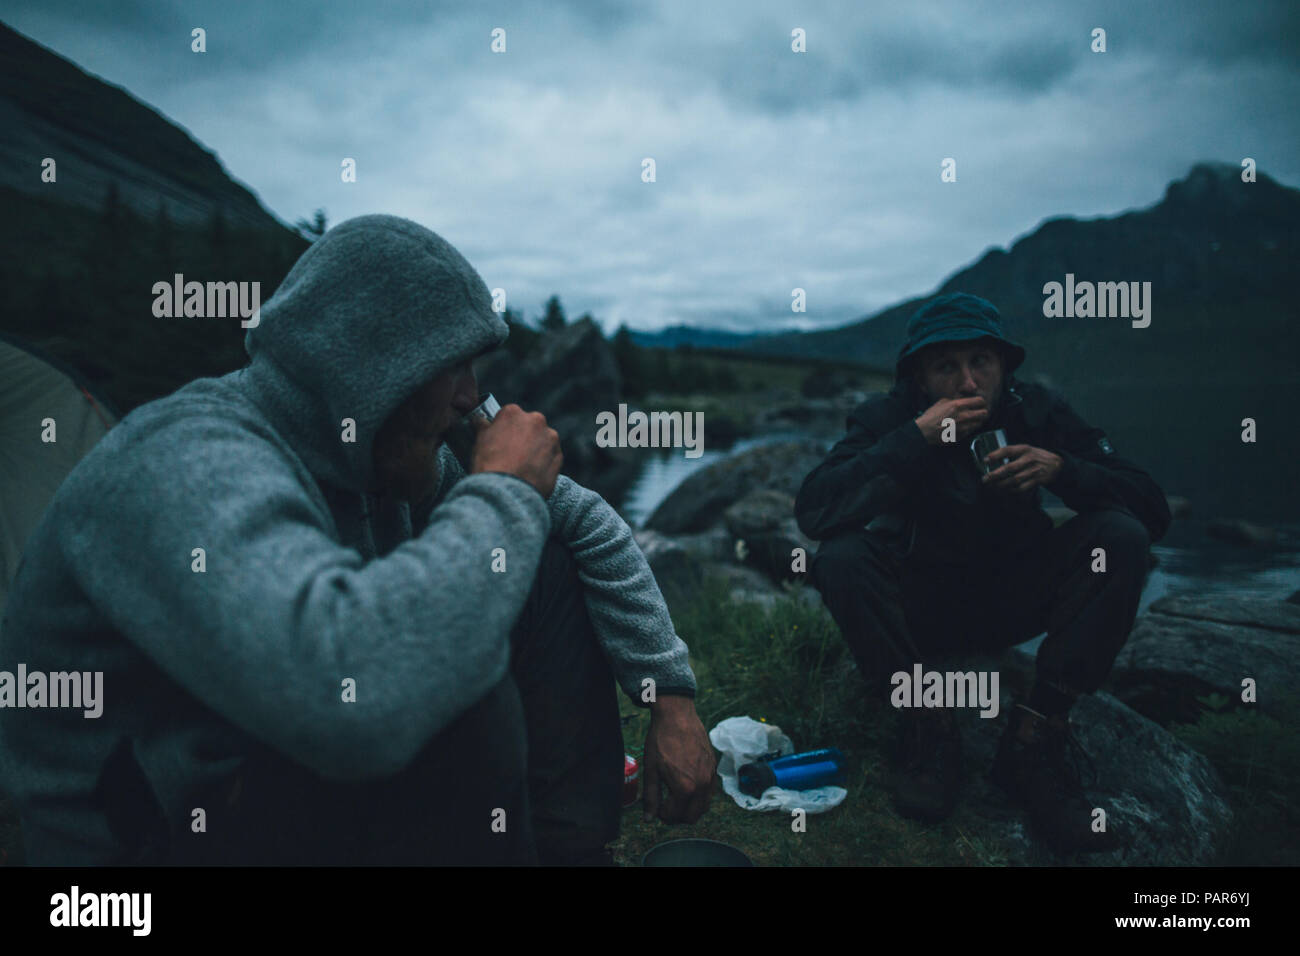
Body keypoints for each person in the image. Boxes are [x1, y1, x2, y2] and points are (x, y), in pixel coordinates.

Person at [0, 214, 715, 866]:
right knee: (452, 683)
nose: (471, 397)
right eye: (454, 366)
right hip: (139, 856)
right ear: (372, 368)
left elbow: (588, 525)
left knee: (543, 564)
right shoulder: (185, 458)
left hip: (282, 779)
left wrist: (672, 700)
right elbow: (360, 694)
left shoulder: (381, 459)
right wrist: (504, 493)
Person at [794, 292, 1170, 853]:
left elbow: (1151, 508)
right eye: (947, 366)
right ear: (920, 377)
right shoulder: (888, 418)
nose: (968, 383)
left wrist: (1062, 470)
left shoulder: (1037, 412)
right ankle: (928, 729)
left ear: (1003, 366)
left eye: (981, 363)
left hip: (1013, 601)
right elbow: (816, 510)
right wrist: (914, 438)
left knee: (1120, 536)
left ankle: (1035, 739)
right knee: (842, 556)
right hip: (921, 612)